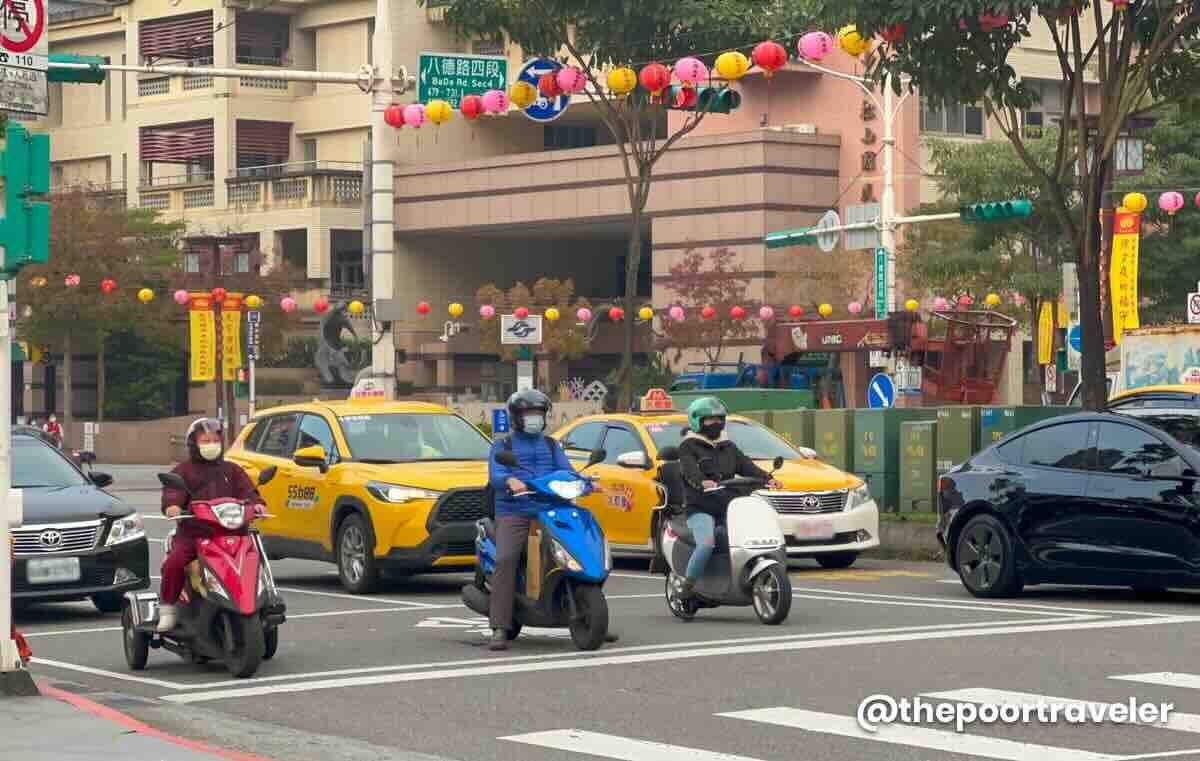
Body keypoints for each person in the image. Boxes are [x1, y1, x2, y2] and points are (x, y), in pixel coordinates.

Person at [485, 389, 616, 651]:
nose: (534, 419)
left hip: (552, 507)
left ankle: (590, 613)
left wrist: (585, 482)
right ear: (516, 418)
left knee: (583, 546)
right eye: (529, 414)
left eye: (538, 414)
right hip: (516, 510)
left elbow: (566, 471)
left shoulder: (550, 445)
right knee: (506, 558)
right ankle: (500, 626)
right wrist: (510, 480)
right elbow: (496, 474)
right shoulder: (502, 446)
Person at [157, 418, 264, 632]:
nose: (211, 444)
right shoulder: (182, 471)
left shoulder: (233, 470)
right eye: (205, 440)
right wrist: (173, 507)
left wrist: (258, 505)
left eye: (215, 440)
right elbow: (172, 494)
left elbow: (249, 493)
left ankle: (264, 599)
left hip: (233, 533)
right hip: (195, 535)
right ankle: (168, 607)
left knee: (256, 556)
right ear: (193, 443)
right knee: (175, 562)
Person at [675, 397, 781, 599]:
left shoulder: (728, 446)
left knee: (750, 539)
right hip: (701, 507)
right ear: (697, 420)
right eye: (709, 419)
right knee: (706, 543)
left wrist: (767, 478)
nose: (715, 423)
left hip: (728, 506)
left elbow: (746, 465)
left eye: (719, 419)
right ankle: (687, 586)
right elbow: (689, 469)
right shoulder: (688, 446)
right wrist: (702, 482)